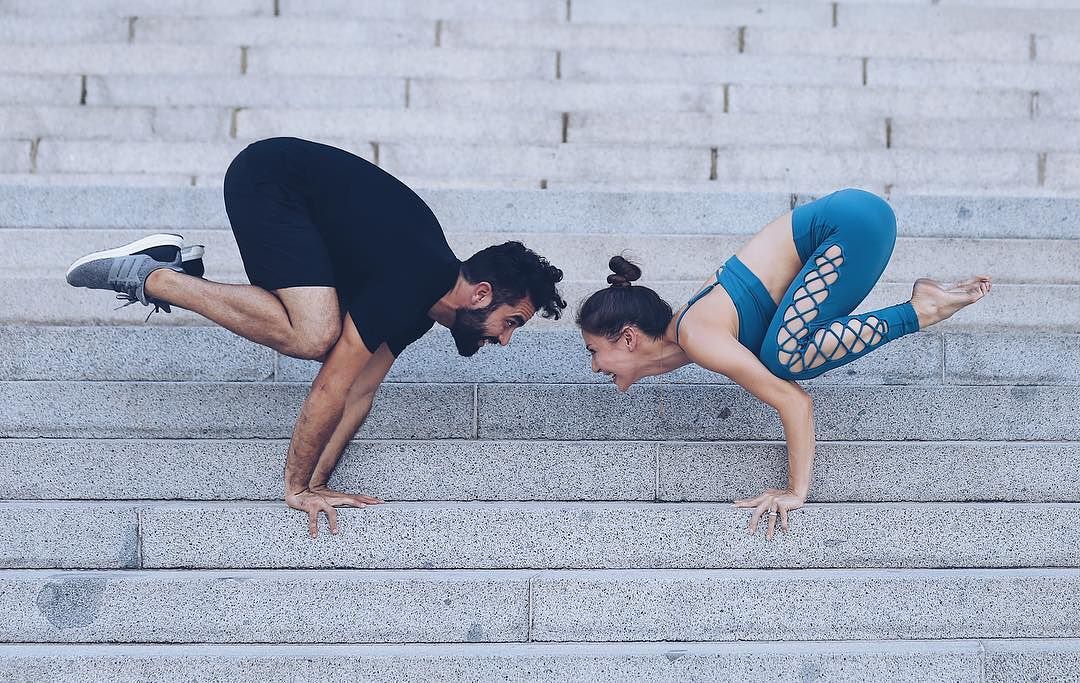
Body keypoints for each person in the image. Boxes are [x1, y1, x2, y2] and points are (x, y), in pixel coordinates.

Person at [66, 137, 566, 538]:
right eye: (511, 322)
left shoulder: (419, 306)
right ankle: (151, 276)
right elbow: (329, 386)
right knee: (314, 335)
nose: (504, 341)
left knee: (321, 334)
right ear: (480, 294)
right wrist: (295, 487)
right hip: (271, 179)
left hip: (302, 205)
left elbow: (357, 393)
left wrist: (319, 482)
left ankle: (167, 268)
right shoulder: (417, 277)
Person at [576, 188, 991, 540]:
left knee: (783, 357)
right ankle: (925, 303)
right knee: (780, 353)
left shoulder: (697, 334)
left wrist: (796, 492)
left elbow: (794, 402)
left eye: (594, 351)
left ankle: (921, 310)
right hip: (856, 221)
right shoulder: (692, 331)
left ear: (628, 338)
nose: (595, 367)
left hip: (850, 227)